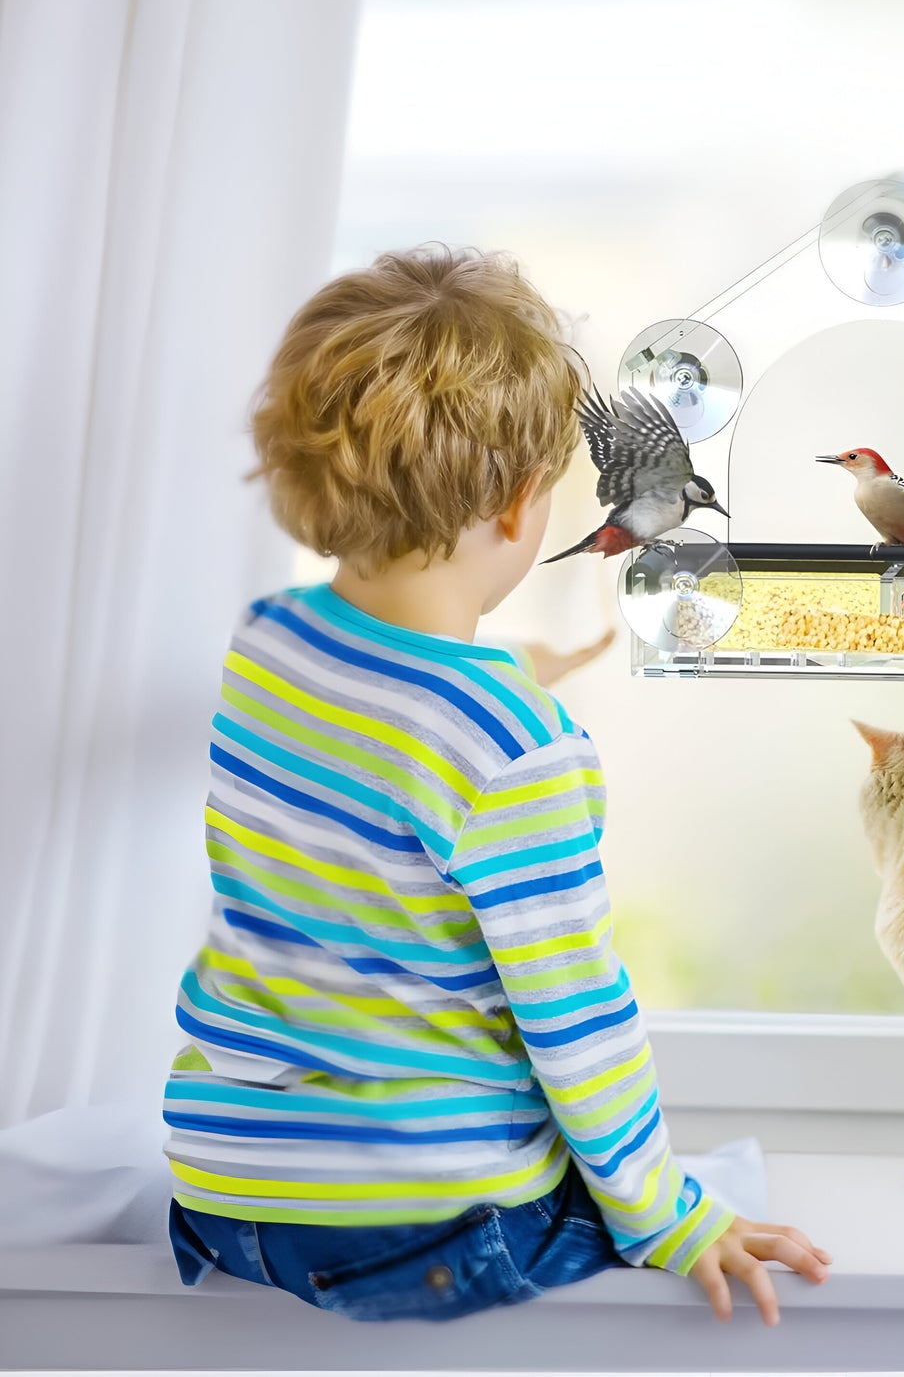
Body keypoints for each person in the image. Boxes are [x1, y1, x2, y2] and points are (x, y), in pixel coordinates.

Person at [163, 246, 830, 1323]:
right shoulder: (516, 749)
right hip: (421, 1221)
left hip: (227, 1190)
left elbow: (387, 707)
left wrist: (511, 668)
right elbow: (576, 1015)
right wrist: (670, 1216)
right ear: (521, 508)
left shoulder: (268, 644)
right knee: (662, 1193)